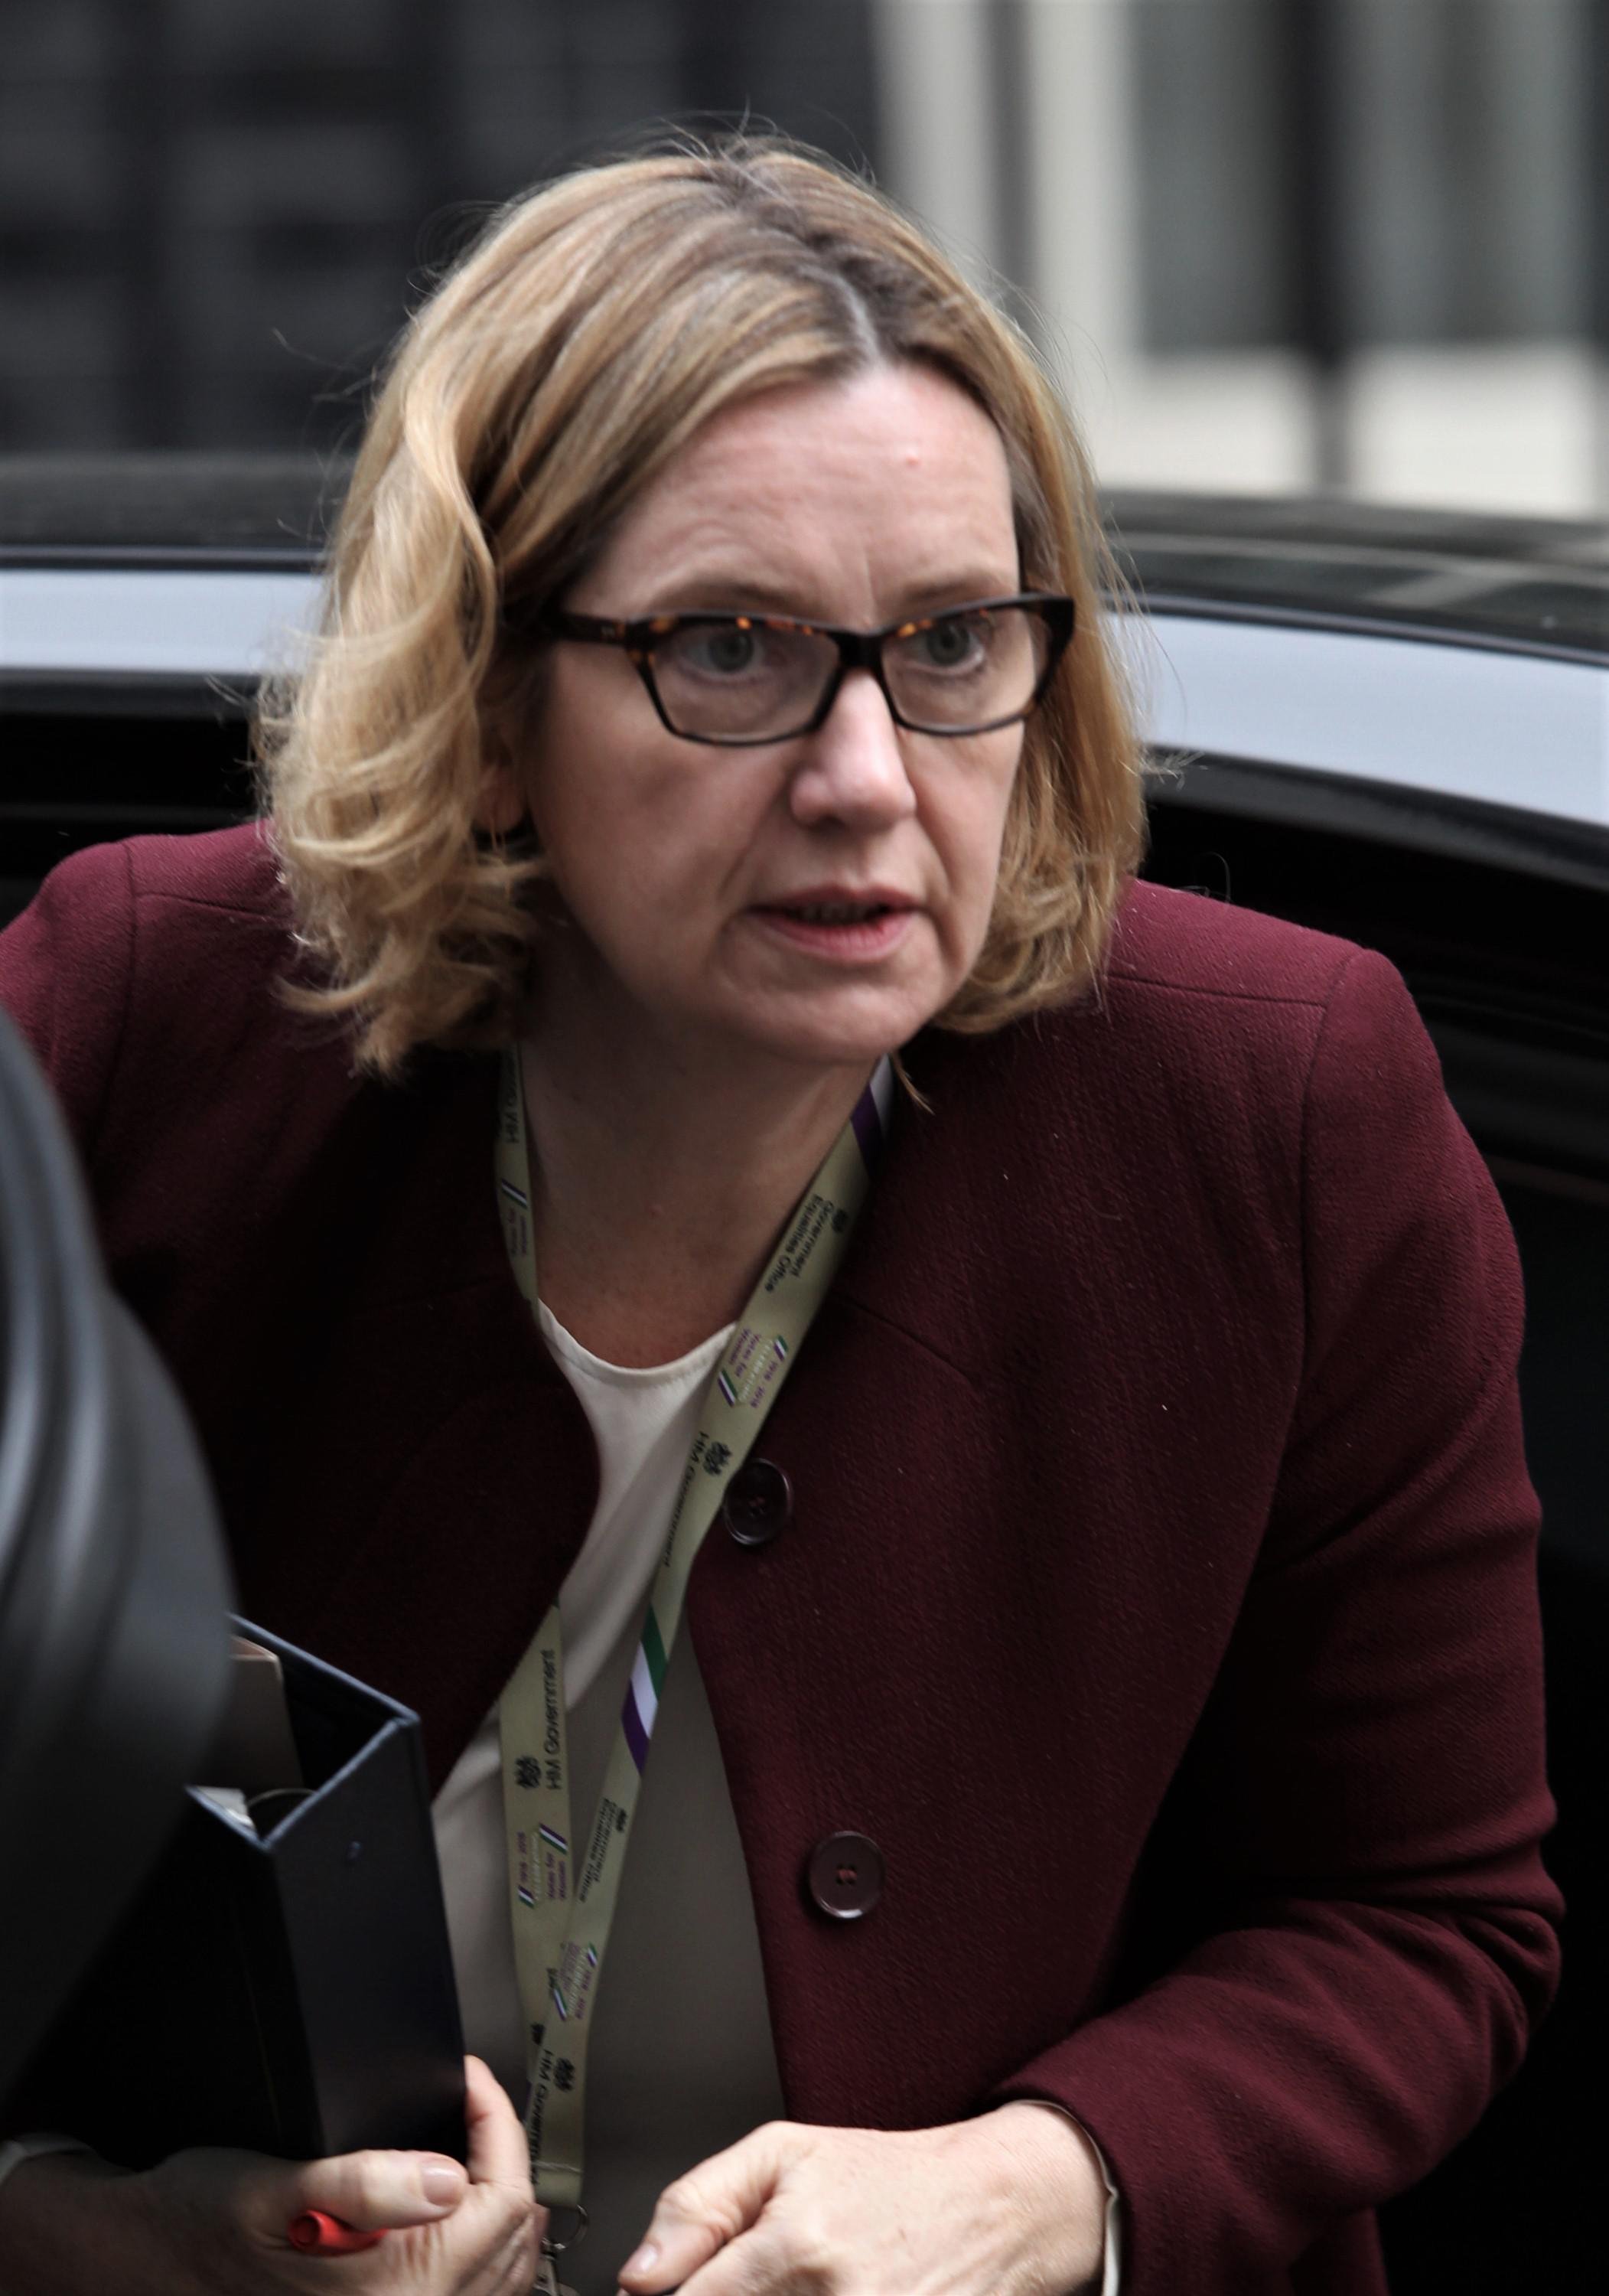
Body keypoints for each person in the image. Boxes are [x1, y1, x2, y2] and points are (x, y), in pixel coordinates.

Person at [0, 136, 1559, 2296]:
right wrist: (75, 2234)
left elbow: (1425, 1915)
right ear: (487, 705)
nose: (866, 776)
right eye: (729, 647)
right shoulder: (126, 1030)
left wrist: (1038, 2189)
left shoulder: (1278, 1112)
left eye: (952, 644)